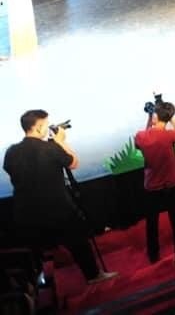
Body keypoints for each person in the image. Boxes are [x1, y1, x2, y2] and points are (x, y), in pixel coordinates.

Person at [3, 110, 118, 284]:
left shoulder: (11, 152)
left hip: (25, 213)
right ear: (38, 127)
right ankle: (93, 276)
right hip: (57, 208)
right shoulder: (50, 148)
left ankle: (38, 284)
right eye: (46, 125)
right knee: (78, 242)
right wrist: (61, 142)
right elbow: (74, 163)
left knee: (38, 252)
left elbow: (10, 169)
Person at [135, 97, 175, 267]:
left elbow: (140, 143)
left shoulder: (141, 136)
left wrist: (150, 119)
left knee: (152, 223)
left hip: (152, 189)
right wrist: (171, 117)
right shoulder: (170, 135)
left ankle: (153, 255)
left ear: (155, 117)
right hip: (172, 186)